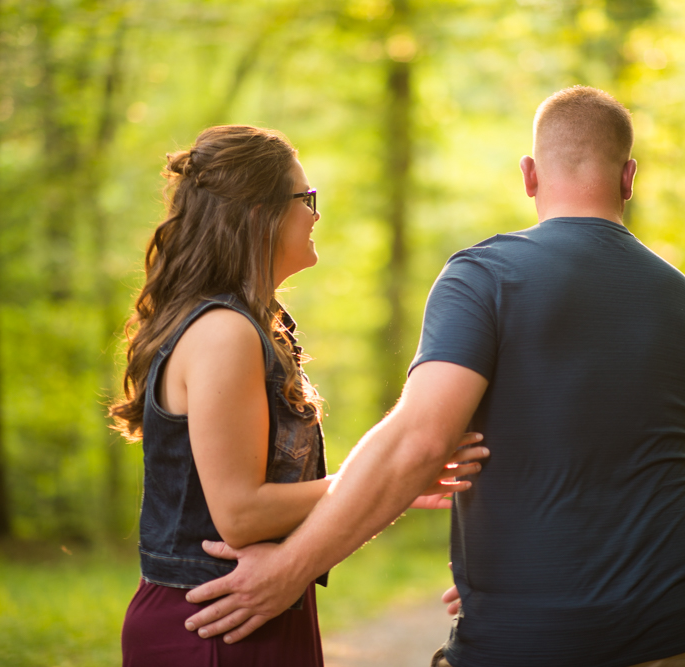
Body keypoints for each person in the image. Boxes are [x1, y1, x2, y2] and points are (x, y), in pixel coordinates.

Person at [183, 87, 685, 667]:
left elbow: (421, 442)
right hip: (675, 630)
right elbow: (630, 454)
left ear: (529, 175)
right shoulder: (678, 297)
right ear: (629, 177)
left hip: (532, 639)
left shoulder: (486, 276)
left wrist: (289, 570)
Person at [109, 125, 487, 666]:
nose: (315, 214)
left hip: (252, 610)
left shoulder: (252, 326)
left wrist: (393, 480)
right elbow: (239, 515)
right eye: (305, 199)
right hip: (214, 624)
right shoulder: (224, 332)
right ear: (258, 213)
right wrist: (384, 477)